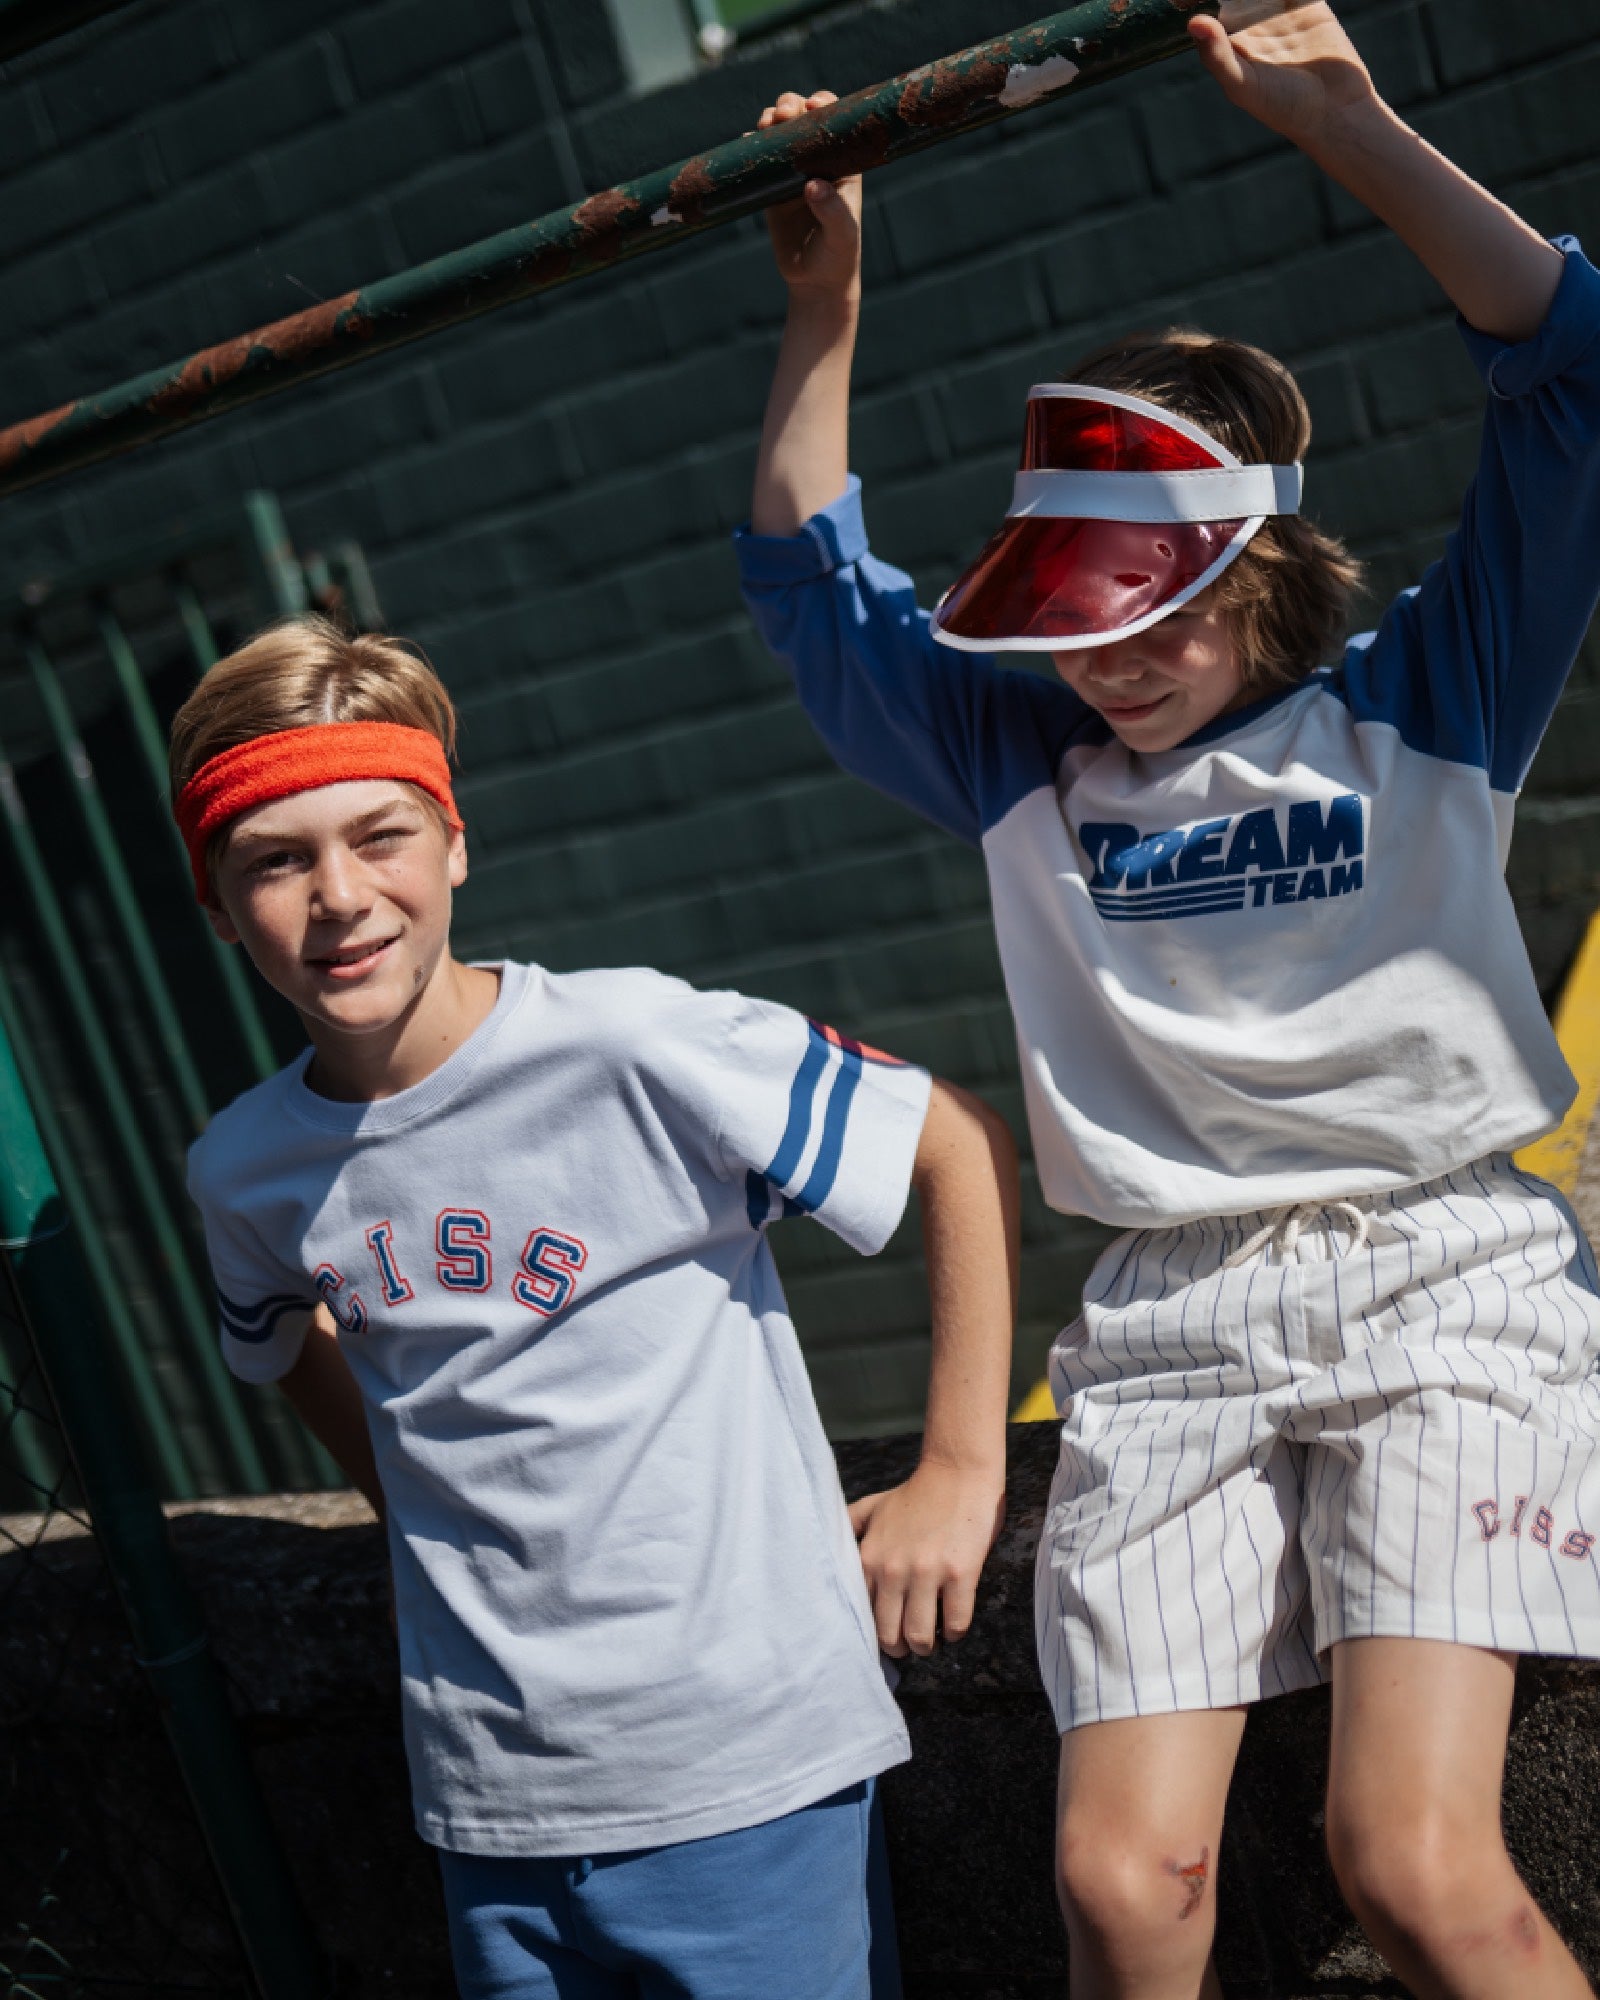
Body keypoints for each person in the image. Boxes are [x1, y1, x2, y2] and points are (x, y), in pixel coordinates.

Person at [736, 3, 1600, 1995]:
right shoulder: (1016, 760)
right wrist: (823, 308)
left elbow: (1563, 370)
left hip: (1436, 1278)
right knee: (1122, 1893)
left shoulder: (1420, 695)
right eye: (1072, 610)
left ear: (1253, 558)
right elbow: (806, 583)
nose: (1111, 658)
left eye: (1157, 603)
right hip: (1163, 1315)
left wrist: (1350, 126)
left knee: (1404, 1855)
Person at [171, 615, 1019, 2000]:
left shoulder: (631, 1045)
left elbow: (952, 1142)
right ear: (214, 906)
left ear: (454, 843)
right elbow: (279, 1343)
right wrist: (405, 1491)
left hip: (746, 1775)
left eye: (379, 835)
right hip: (486, 1802)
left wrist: (962, 1469)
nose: (338, 894)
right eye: (275, 858)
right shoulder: (244, 1170)